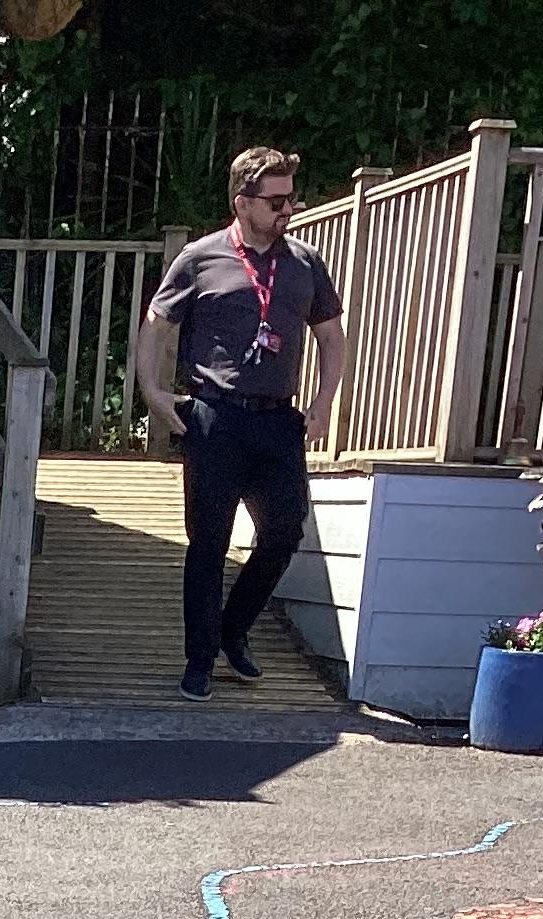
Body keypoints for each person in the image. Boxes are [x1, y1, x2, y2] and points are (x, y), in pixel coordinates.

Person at [134, 147, 347, 699]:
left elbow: (331, 337)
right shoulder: (200, 258)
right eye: (276, 201)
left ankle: (234, 628)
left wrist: (324, 400)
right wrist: (153, 392)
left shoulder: (305, 263)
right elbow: (155, 324)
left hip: (277, 420)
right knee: (209, 541)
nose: (287, 210)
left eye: (291, 199)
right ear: (242, 203)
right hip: (216, 418)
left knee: (285, 531)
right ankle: (200, 659)